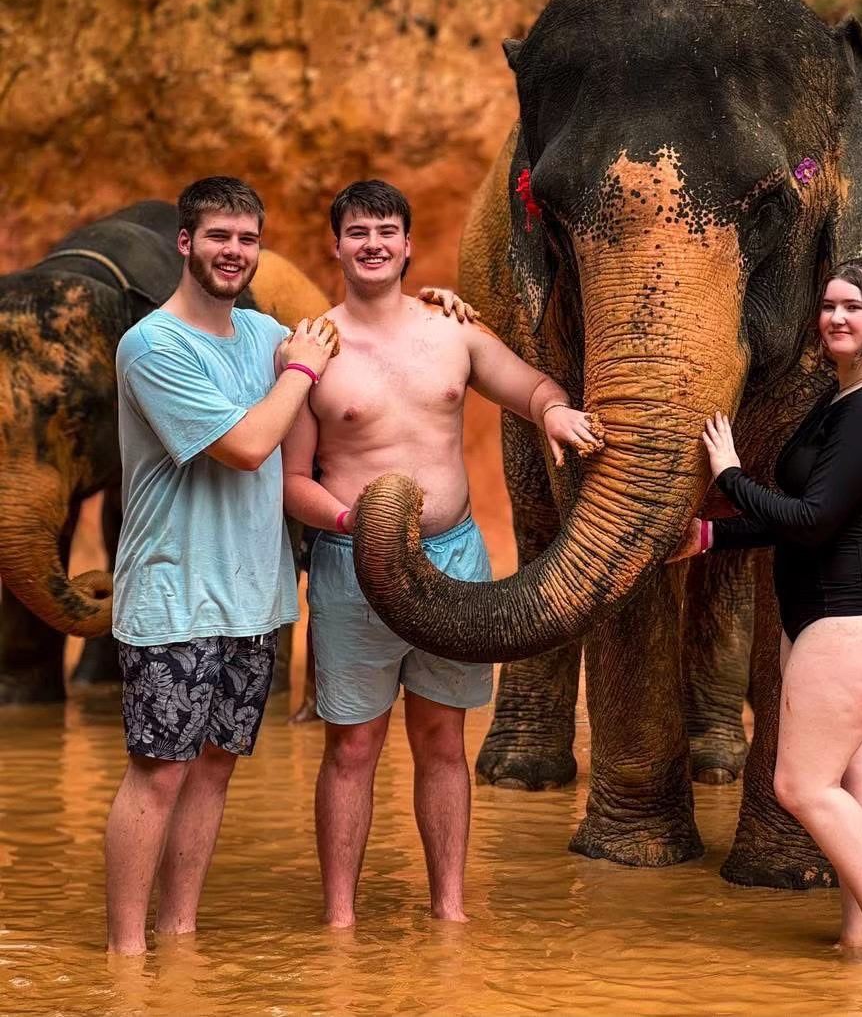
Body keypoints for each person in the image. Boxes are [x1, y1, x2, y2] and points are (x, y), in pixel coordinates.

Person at [281, 180, 600, 927]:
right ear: (336, 245)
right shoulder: (310, 347)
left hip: (453, 559)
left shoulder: (451, 330)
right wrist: (351, 519)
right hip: (350, 561)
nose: (373, 245)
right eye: (357, 232)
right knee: (353, 749)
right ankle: (339, 921)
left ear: (408, 242)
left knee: (443, 744)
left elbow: (529, 385)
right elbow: (293, 480)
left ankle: (449, 912)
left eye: (386, 231)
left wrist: (554, 411)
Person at [104, 177, 339, 954]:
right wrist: (298, 373)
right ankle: (126, 959)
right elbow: (243, 449)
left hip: (251, 600)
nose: (233, 252)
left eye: (246, 239)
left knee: (212, 769)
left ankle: (179, 939)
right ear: (185, 243)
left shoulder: (266, 333)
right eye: (218, 237)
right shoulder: (152, 346)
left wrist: (441, 307)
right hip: (173, 598)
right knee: (159, 772)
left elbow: (355, 344)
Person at [673, 258, 862, 973]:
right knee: (850, 781)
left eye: (853, 307)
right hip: (823, 616)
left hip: (858, 614)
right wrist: (713, 534)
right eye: (828, 306)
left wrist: (728, 479)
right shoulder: (840, 400)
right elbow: (807, 518)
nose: (836, 318)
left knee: (799, 785)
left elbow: (813, 520)